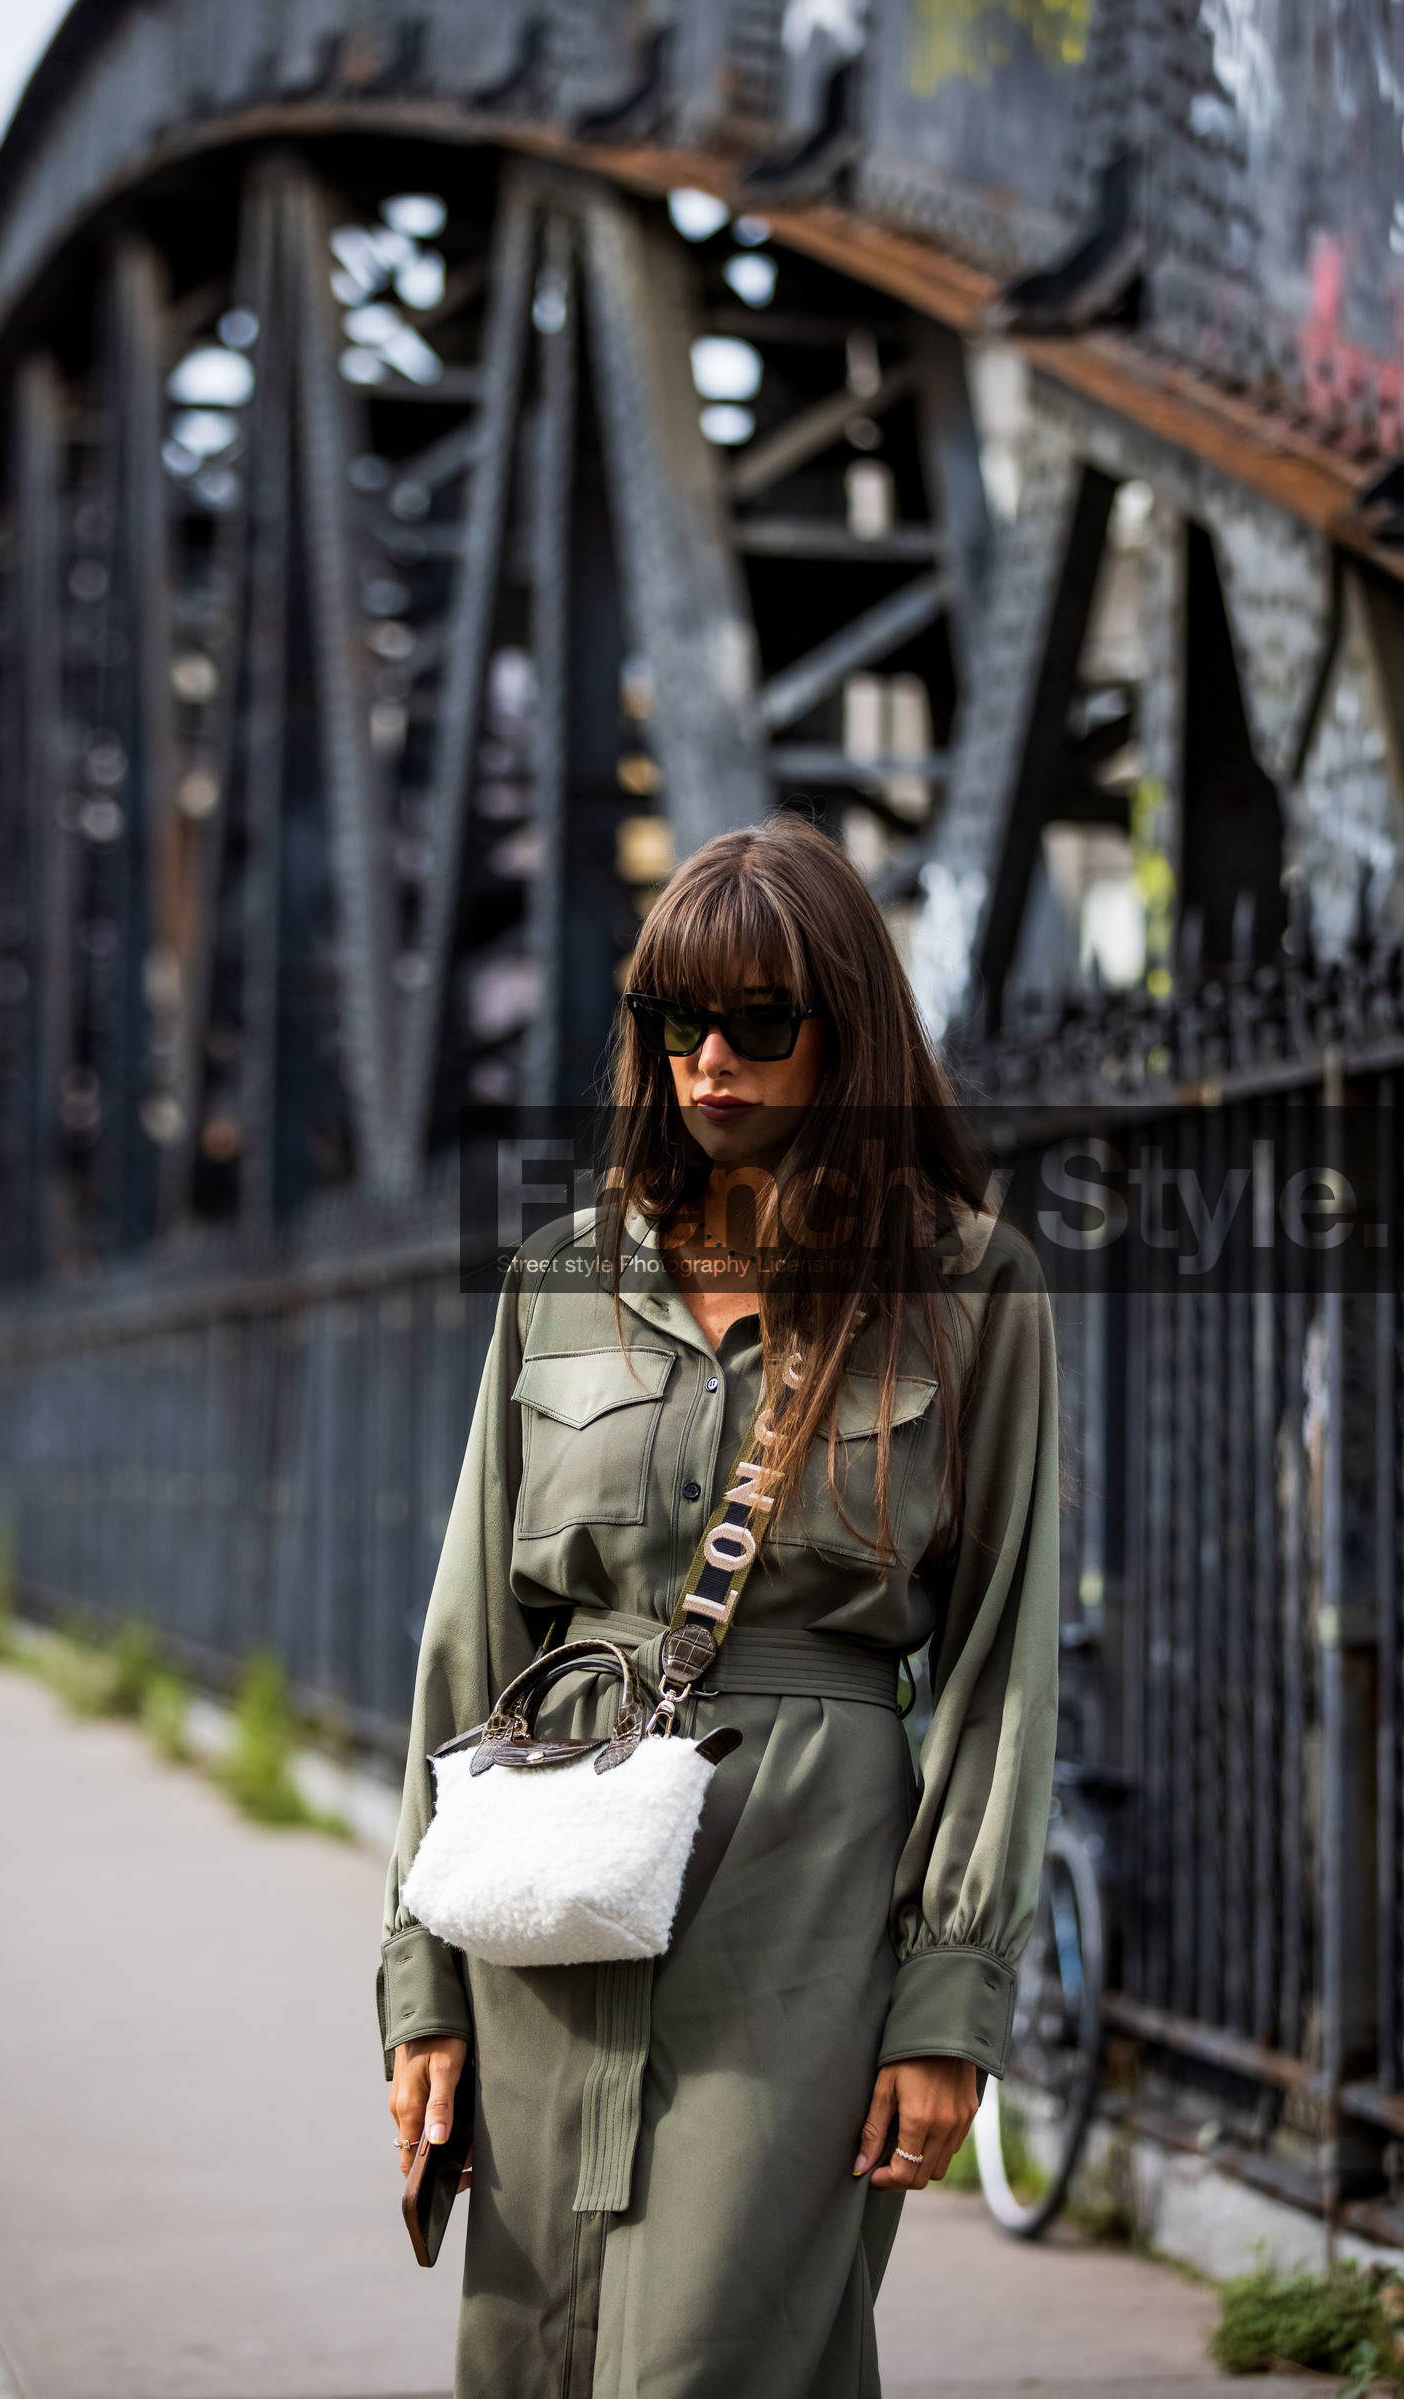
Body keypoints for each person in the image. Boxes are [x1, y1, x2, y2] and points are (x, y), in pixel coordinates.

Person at [381, 816, 1059, 2399]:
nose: (711, 1061)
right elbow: (469, 1642)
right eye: (679, 1021)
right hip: (548, 1897)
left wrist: (949, 1998)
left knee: (714, 2358)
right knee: (528, 2358)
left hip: (803, 1904)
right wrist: (421, 1981)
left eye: (761, 1022)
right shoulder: (563, 1278)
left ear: (851, 1032)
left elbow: (999, 1668)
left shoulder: (970, 1292)